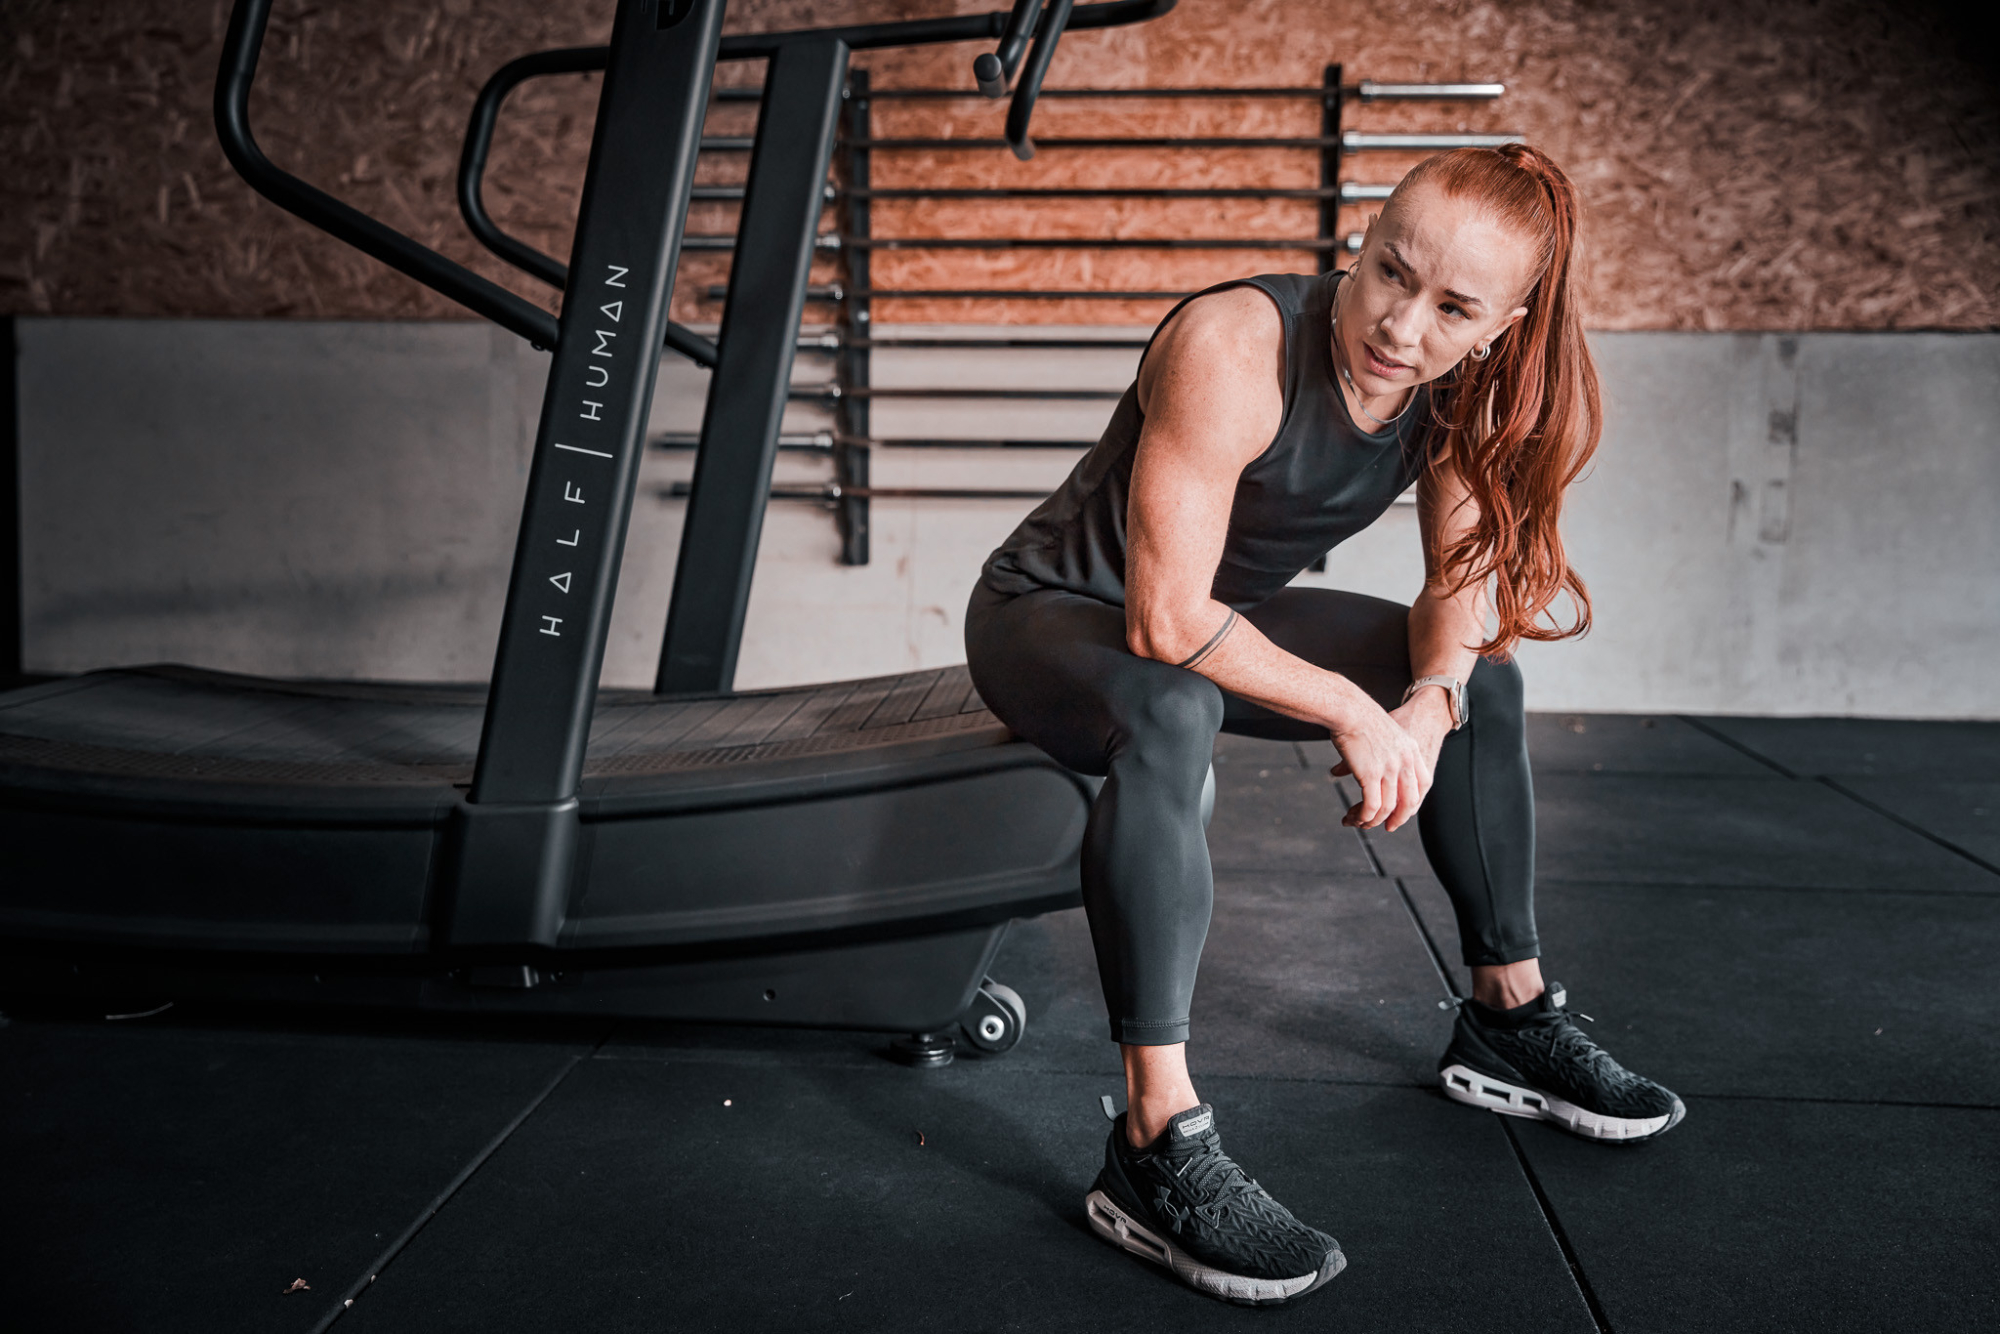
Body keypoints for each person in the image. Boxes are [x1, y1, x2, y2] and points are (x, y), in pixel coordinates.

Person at [963, 144, 1683, 1306]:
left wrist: (1428, 701)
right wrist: (1352, 708)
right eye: (1390, 272)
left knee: (1482, 679)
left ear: (1497, 328)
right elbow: (1161, 617)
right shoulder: (1234, 340)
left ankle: (1505, 1011)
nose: (1400, 325)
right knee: (1173, 702)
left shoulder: (1455, 388)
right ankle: (1152, 1138)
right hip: (1049, 615)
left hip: (1217, 621)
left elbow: (1454, 587)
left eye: (1450, 308)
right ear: (1361, 238)